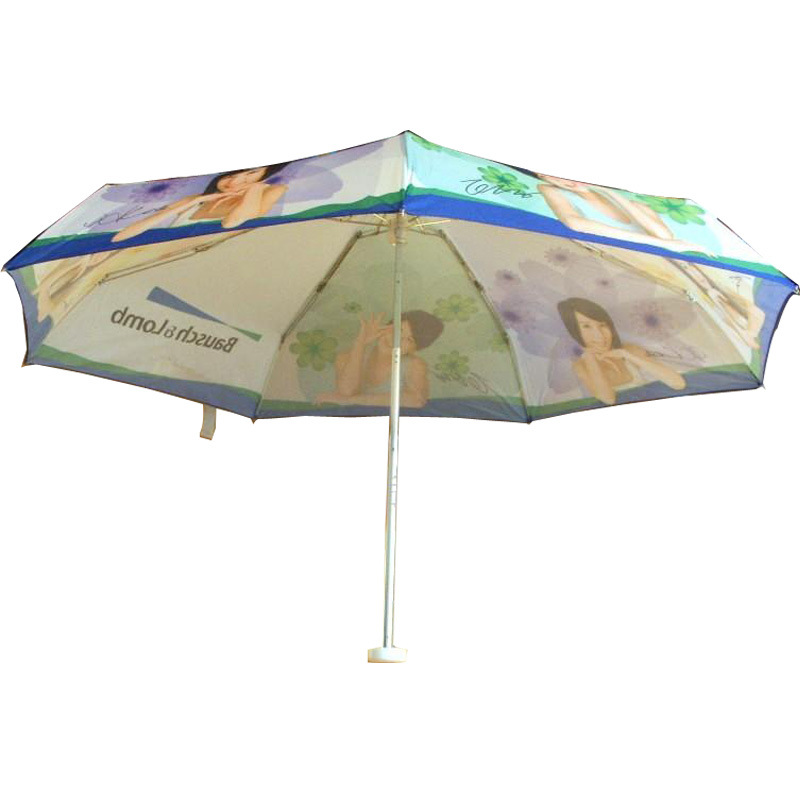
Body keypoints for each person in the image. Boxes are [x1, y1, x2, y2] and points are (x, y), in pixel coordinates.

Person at [529, 171, 712, 255]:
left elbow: (665, 236)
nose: (563, 179)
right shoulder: (550, 189)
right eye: (547, 175)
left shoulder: (635, 202)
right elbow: (575, 223)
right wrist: (665, 244)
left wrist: (609, 192)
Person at [111, 164, 289, 242]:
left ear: (265, 174)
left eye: (252, 173)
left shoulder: (269, 192)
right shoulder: (195, 199)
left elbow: (232, 222)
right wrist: (196, 200)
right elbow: (119, 237)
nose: (235, 182)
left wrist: (255, 188)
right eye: (230, 175)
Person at [557, 297, 687, 405]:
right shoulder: (581, 366)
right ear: (574, 331)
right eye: (586, 326)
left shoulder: (629, 350)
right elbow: (608, 399)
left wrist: (626, 355)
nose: (599, 335)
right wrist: (591, 359)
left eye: (602, 325)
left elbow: (678, 383)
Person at [315, 311, 443, 408]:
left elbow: (416, 400)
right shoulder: (346, 357)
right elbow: (346, 391)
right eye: (398, 330)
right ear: (387, 326)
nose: (396, 339)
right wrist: (360, 344)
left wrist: (351, 400)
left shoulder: (414, 365)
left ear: (414, 349)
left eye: (409, 340)